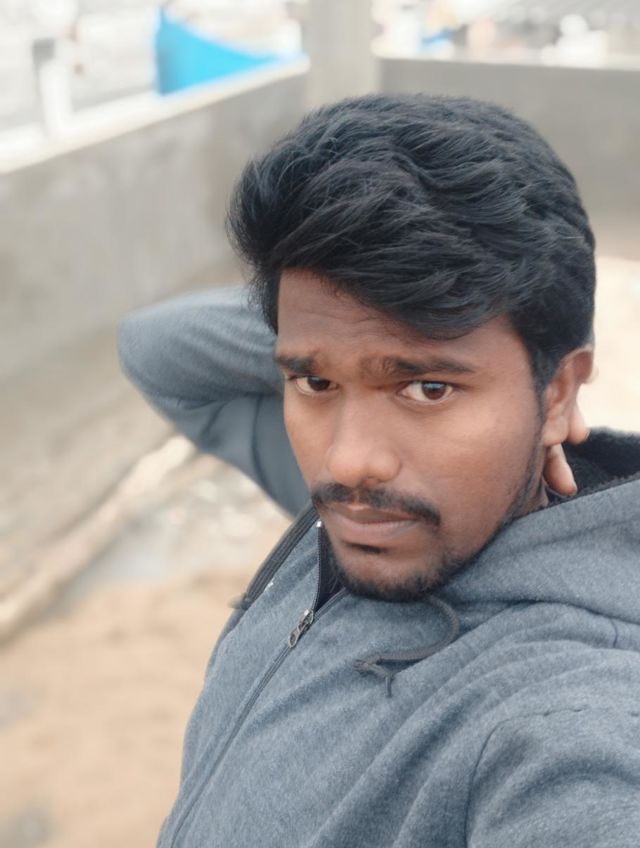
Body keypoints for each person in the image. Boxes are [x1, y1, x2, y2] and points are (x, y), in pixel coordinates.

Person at [118, 94, 640, 847]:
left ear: (560, 390)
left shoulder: (564, 719)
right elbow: (154, 347)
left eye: (428, 389)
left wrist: (344, 345)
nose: (348, 461)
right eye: (313, 382)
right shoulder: (382, 512)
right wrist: (331, 330)